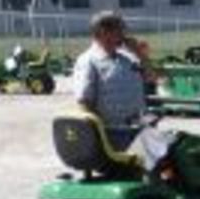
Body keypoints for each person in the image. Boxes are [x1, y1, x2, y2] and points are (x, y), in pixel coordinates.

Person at [69, 10, 162, 161]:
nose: (124, 34)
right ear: (103, 32)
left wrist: (139, 52)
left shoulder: (128, 57)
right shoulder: (89, 61)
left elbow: (152, 78)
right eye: (119, 30)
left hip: (140, 128)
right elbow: (84, 104)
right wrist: (99, 140)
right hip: (114, 134)